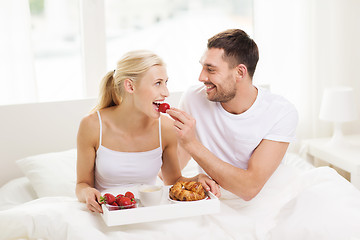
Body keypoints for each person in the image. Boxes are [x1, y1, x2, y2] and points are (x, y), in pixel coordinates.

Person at [76, 50, 219, 213]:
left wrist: (197, 180)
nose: (166, 92)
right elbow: (82, 184)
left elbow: (173, 181)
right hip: (107, 213)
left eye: (166, 82)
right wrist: (87, 193)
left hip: (147, 212)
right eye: (158, 83)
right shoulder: (92, 126)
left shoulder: (166, 128)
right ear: (130, 86)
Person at [167, 29, 298, 201]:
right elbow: (170, 173)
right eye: (202, 67)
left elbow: (249, 189)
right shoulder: (193, 98)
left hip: (267, 201)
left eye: (211, 70)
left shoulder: (281, 112)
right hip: (212, 199)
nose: (201, 77)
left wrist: (192, 144)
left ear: (240, 72)